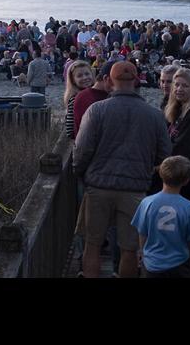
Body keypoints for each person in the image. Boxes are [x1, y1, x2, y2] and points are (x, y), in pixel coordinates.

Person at [73, 60, 171, 278]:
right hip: (135, 188)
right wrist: (146, 167)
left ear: (108, 81)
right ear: (136, 80)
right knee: (129, 249)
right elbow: (165, 155)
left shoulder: (96, 110)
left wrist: (79, 172)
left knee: (93, 244)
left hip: (98, 186)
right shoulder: (154, 115)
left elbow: (81, 150)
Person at [133, 155, 190, 279]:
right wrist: (189, 261)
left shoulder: (147, 202)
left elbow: (142, 233)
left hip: (152, 264)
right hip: (179, 264)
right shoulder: (189, 207)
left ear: (161, 175)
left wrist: (143, 254)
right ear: (186, 180)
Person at [154, 66, 190, 209]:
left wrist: (156, 166)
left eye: (185, 86)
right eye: (177, 85)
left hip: (183, 177)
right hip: (176, 172)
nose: (179, 89)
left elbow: (182, 148)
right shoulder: (180, 108)